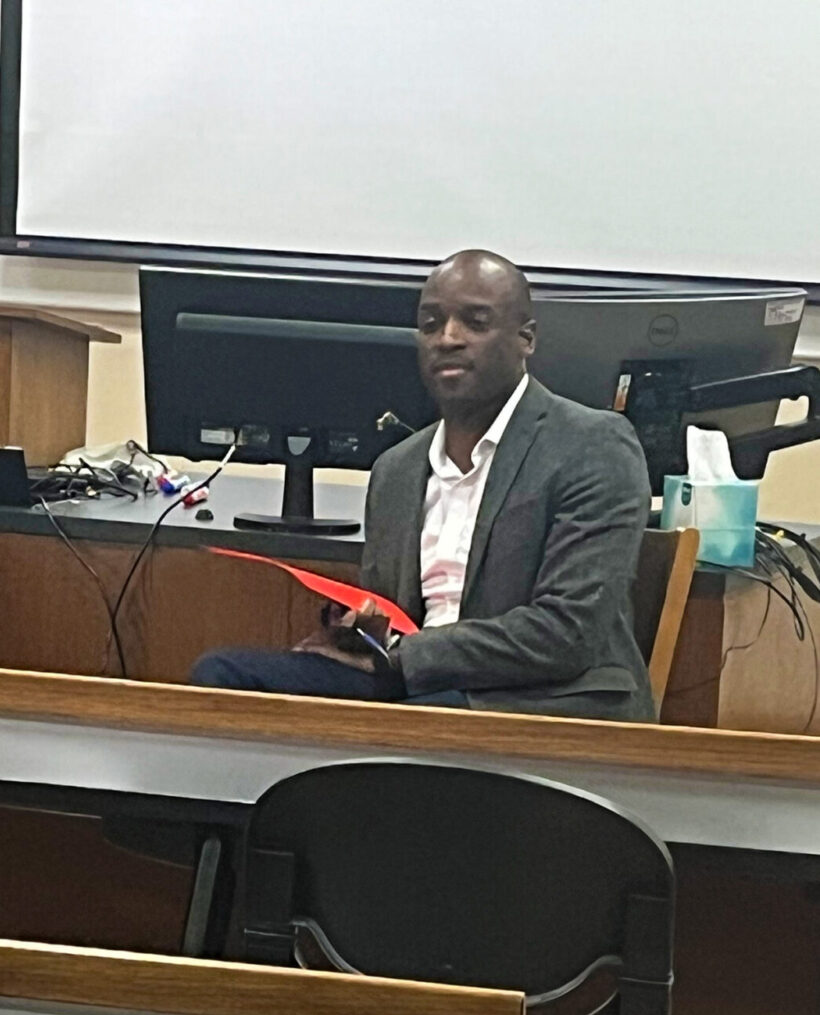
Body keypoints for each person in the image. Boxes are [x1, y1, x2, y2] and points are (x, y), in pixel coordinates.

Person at [190, 249, 655, 720]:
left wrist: (402, 657)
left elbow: (566, 633)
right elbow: (391, 613)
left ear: (526, 339)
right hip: (414, 683)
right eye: (431, 323)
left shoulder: (591, 445)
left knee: (399, 727)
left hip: (539, 697)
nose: (447, 338)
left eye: (475, 322)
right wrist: (357, 629)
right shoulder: (396, 468)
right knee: (223, 675)